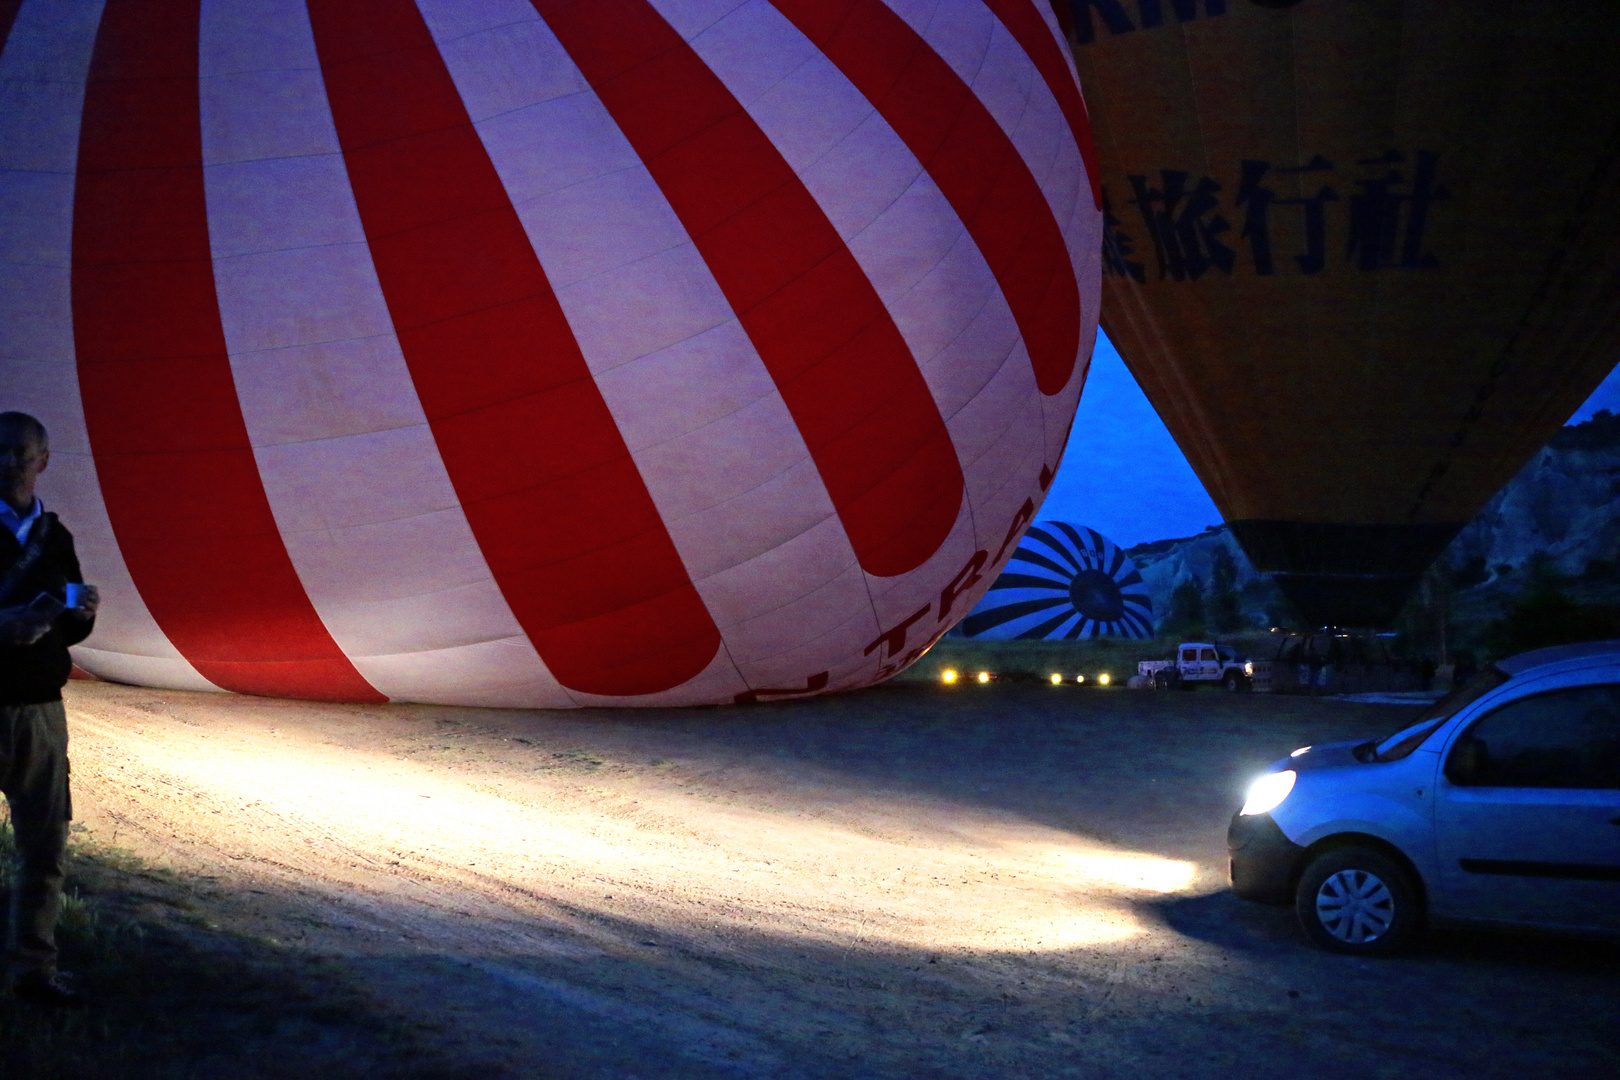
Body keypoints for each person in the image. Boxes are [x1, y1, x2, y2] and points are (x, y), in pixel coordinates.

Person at [0, 411, 98, 1007]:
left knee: (44, 846)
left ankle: (34, 970)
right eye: (0, 451)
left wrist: (80, 613)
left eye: (21, 451)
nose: (10, 462)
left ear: (43, 460)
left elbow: (67, 621)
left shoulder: (55, 535)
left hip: (39, 707)